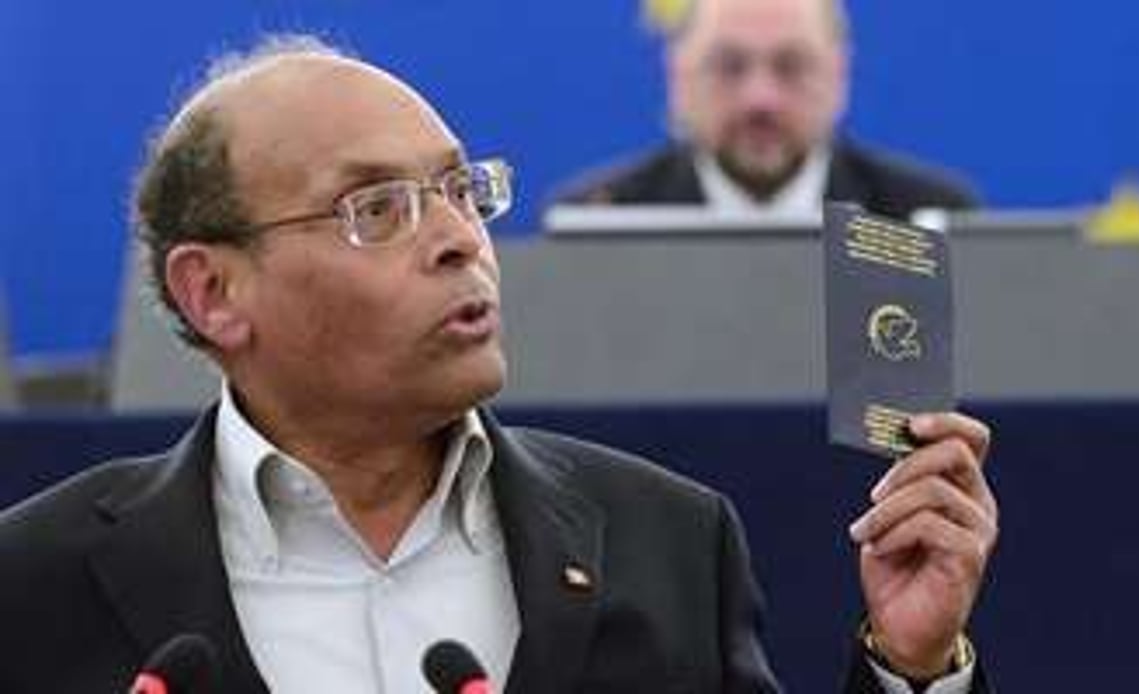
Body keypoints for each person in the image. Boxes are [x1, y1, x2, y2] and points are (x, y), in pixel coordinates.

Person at [0, 36, 997, 693]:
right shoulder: (38, 581)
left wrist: (912, 668)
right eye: (377, 209)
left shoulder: (668, 541)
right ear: (213, 292)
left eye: (461, 192)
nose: (459, 242)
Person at [550, 0, 977, 222]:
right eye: (729, 67)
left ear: (839, 73)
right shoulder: (600, 221)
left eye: (791, 67)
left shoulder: (925, 220)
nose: (760, 99)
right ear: (678, 77)